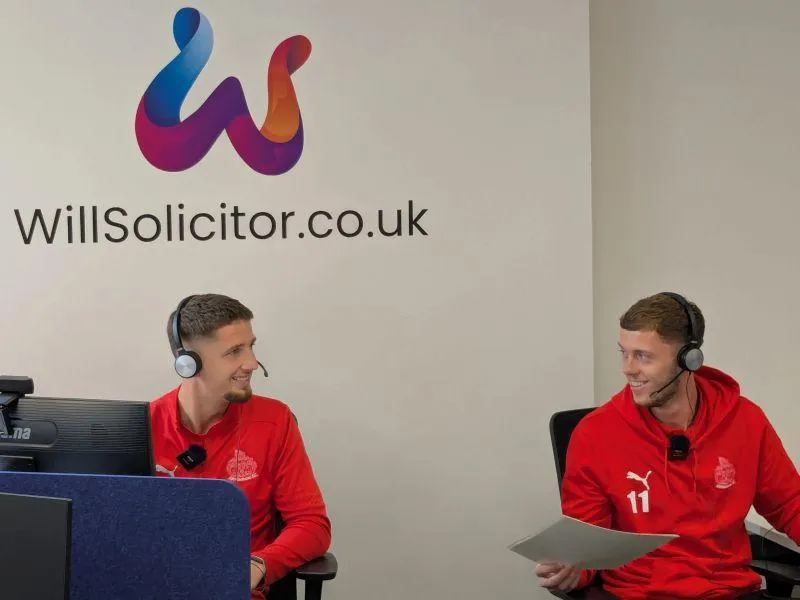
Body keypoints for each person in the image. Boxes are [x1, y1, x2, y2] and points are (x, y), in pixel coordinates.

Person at [537, 292, 800, 599]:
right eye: (624, 353)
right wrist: (569, 572)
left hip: (729, 592)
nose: (628, 369)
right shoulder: (595, 434)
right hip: (640, 594)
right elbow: (588, 548)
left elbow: (788, 503)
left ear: (689, 359)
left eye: (643, 356)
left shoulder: (746, 421)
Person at [149, 293, 331, 599]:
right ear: (188, 363)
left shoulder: (274, 421)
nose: (251, 363)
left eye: (251, 346)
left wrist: (260, 565)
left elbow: (312, 524)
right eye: (234, 351)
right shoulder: (144, 427)